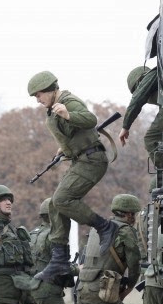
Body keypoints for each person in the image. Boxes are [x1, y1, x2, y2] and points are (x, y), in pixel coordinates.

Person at [27, 71, 118, 282]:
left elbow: (90, 119)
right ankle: (59, 260)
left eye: (39, 95)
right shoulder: (53, 109)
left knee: (62, 199)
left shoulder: (68, 102)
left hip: (92, 160)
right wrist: (64, 148)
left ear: (50, 90)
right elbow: (72, 132)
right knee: (54, 204)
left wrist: (68, 115)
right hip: (80, 159)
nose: (38, 100)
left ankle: (105, 227)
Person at [118, 66, 163, 184]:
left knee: (151, 138)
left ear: (139, 82)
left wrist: (125, 126)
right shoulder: (161, 79)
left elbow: (137, 99)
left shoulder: (150, 76)